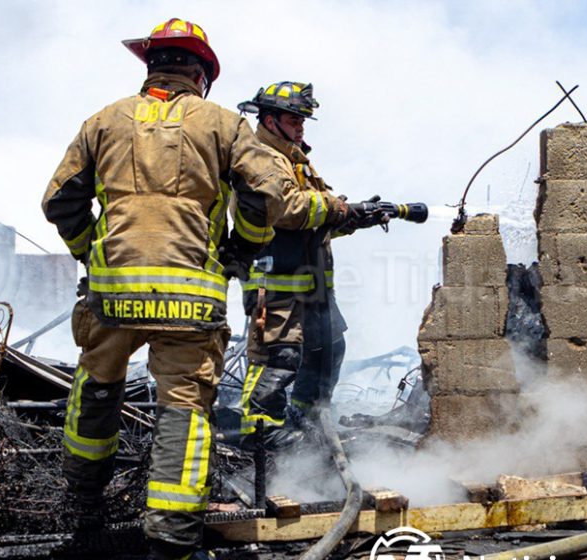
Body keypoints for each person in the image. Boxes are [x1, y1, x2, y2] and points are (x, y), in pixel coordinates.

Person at [42, 18, 291, 559]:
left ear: (151, 67)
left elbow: (59, 201)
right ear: (201, 75)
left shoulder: (102, 121)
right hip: (191, 299)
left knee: (97, 386)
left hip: (112, 293)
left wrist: (91, 250)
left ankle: (83, 505)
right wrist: (240, 249)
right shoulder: (224, 124)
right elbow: (267, 193)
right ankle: (172, 539)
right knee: (183, 407)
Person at [235, 81, 387, 451]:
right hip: (277, 282)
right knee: (278, 357)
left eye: (303, 120)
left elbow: (313, 222)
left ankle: (306, 420)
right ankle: (261, 432)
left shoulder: (294, 160)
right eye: (294, 120)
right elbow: (286, 209)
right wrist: (340, 208)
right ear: (269, 120)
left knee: (328, 348)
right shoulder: (261, 158)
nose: (301, 127)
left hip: (313, 283)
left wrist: (355, 218)